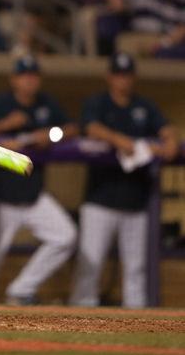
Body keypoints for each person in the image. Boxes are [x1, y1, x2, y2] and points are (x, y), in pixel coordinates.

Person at [70, 52, 179, 308]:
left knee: (136, 269)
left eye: (127, 75)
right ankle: (76, 321)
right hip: (100, 199)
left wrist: (171, 140)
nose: (123, 80)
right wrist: (118, 139)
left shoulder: (144, 106)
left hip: (136, 201)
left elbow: (166, 130)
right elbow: (88, 127)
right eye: (118, 75)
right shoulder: (98, 103)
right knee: (90, 265)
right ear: (109, 77)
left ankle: (137, 323)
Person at [0, 55, 78, 305]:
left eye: (33, 76)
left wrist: (50, 136)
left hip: (33, 194)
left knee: (66, 236)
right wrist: (4, 125)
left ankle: (20, 289)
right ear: (14, 79)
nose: (29, 81)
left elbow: (71, 129)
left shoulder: (46, 105)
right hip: (1, 197)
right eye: (24, 76)